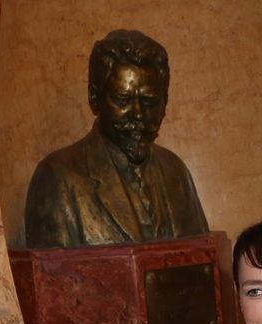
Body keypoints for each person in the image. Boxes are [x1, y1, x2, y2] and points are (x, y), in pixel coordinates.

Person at [24, 29, 209, 248]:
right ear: (95, 97)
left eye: (149, 101)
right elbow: (54, 268)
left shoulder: (176, 172)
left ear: (164, 103)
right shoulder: (58, 178)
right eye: (123, 100)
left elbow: (204, 257)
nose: (138, 114)